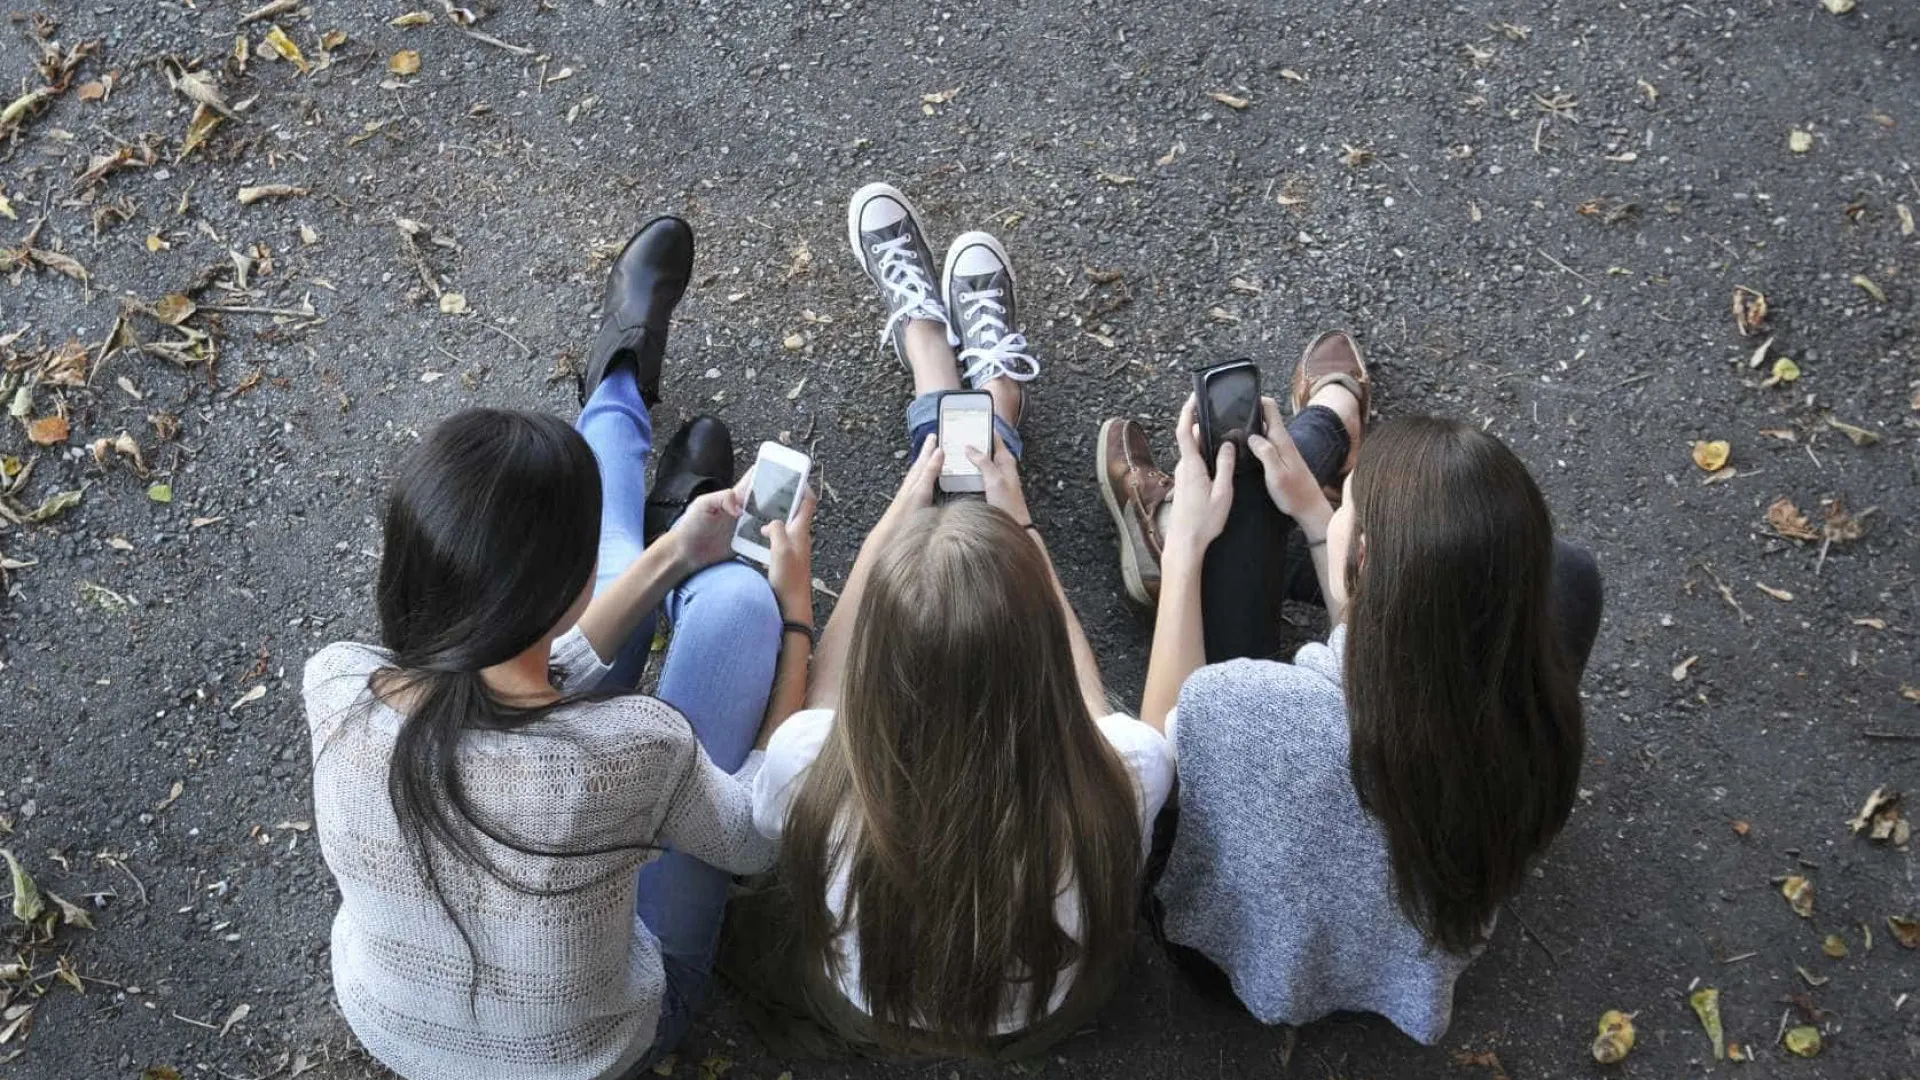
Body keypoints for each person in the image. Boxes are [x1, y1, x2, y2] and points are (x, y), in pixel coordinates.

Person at [305, 216, 817, 1080]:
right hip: (602, 1049)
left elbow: (506, 687)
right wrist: (797, 614)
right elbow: (753, 839)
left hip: (393, 1028)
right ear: (563, 597)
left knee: (650, 554)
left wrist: (670, 555)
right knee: (739, 606)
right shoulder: (629, 754)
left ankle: (625, 391)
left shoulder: (337, 683)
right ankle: (620, 386)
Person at [745, 184, 1176, 1057]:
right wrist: (1022, 528)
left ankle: (931, 360)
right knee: (980, 492)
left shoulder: (804, 773)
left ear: (877, 662)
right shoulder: (1123, 778)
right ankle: (989, 400)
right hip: (1045, 1016)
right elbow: (1091, 703)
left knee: (839, 699)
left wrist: (896, 515)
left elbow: (817, 701)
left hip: (869, 1009)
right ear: (1039, 651)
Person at [1096, 332, 1602, 1045]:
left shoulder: (1249, 709)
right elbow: (1388, 675)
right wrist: (1315, 512)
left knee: (1235, 513)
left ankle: (1189, 513)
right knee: (1572, 575)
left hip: (1235, 962)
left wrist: (1185, 555)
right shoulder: (1536, 714)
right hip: (1404, 965)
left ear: (1362, 557)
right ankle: (1326, 430)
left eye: (1346, 506)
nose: (1334, 514)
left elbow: (1158, 754)